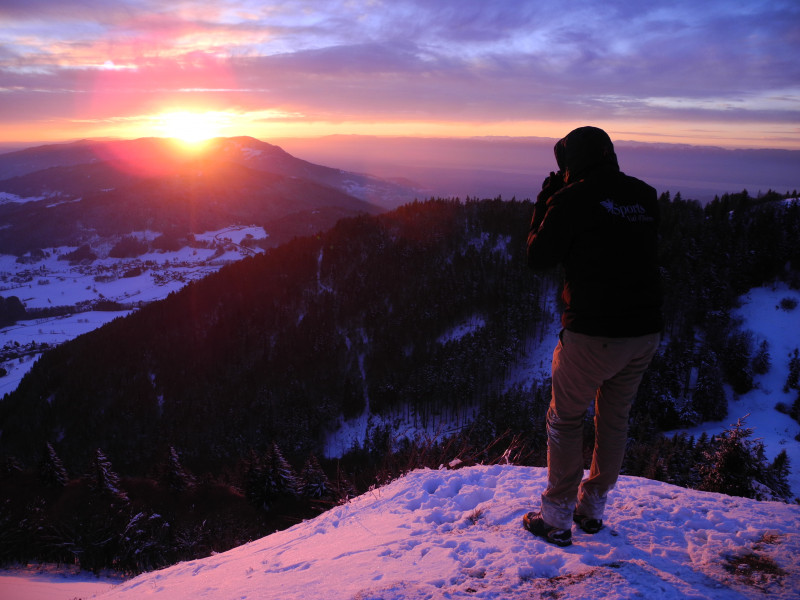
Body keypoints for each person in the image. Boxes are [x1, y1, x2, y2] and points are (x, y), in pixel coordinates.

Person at [523, 126, 663, 547]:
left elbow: (537, 256)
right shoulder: (645, 196)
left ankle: (556, 517)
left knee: (565, 421)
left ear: (571, 162)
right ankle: (592, 508)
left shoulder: (571, 199)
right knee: (613, 421)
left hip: (592, 333)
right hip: (644, 332)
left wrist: (545, 203)